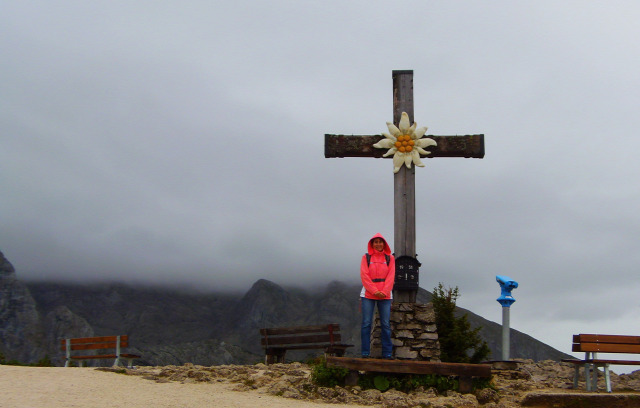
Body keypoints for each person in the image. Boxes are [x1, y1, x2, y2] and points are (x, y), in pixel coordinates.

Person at [360, 233, 395, 359]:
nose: (378, 244)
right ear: (372, 244)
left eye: (381, 242)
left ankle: (387, 353)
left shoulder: (390, 258)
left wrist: (384, 292)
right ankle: (365, 353)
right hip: (368, 294)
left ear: (384, 244)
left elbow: (391, 277)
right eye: (376, 242)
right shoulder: (366, 257)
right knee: (366, 323)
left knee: (385, 324)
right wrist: (375, 291)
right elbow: (365, 276)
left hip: (385, 295)